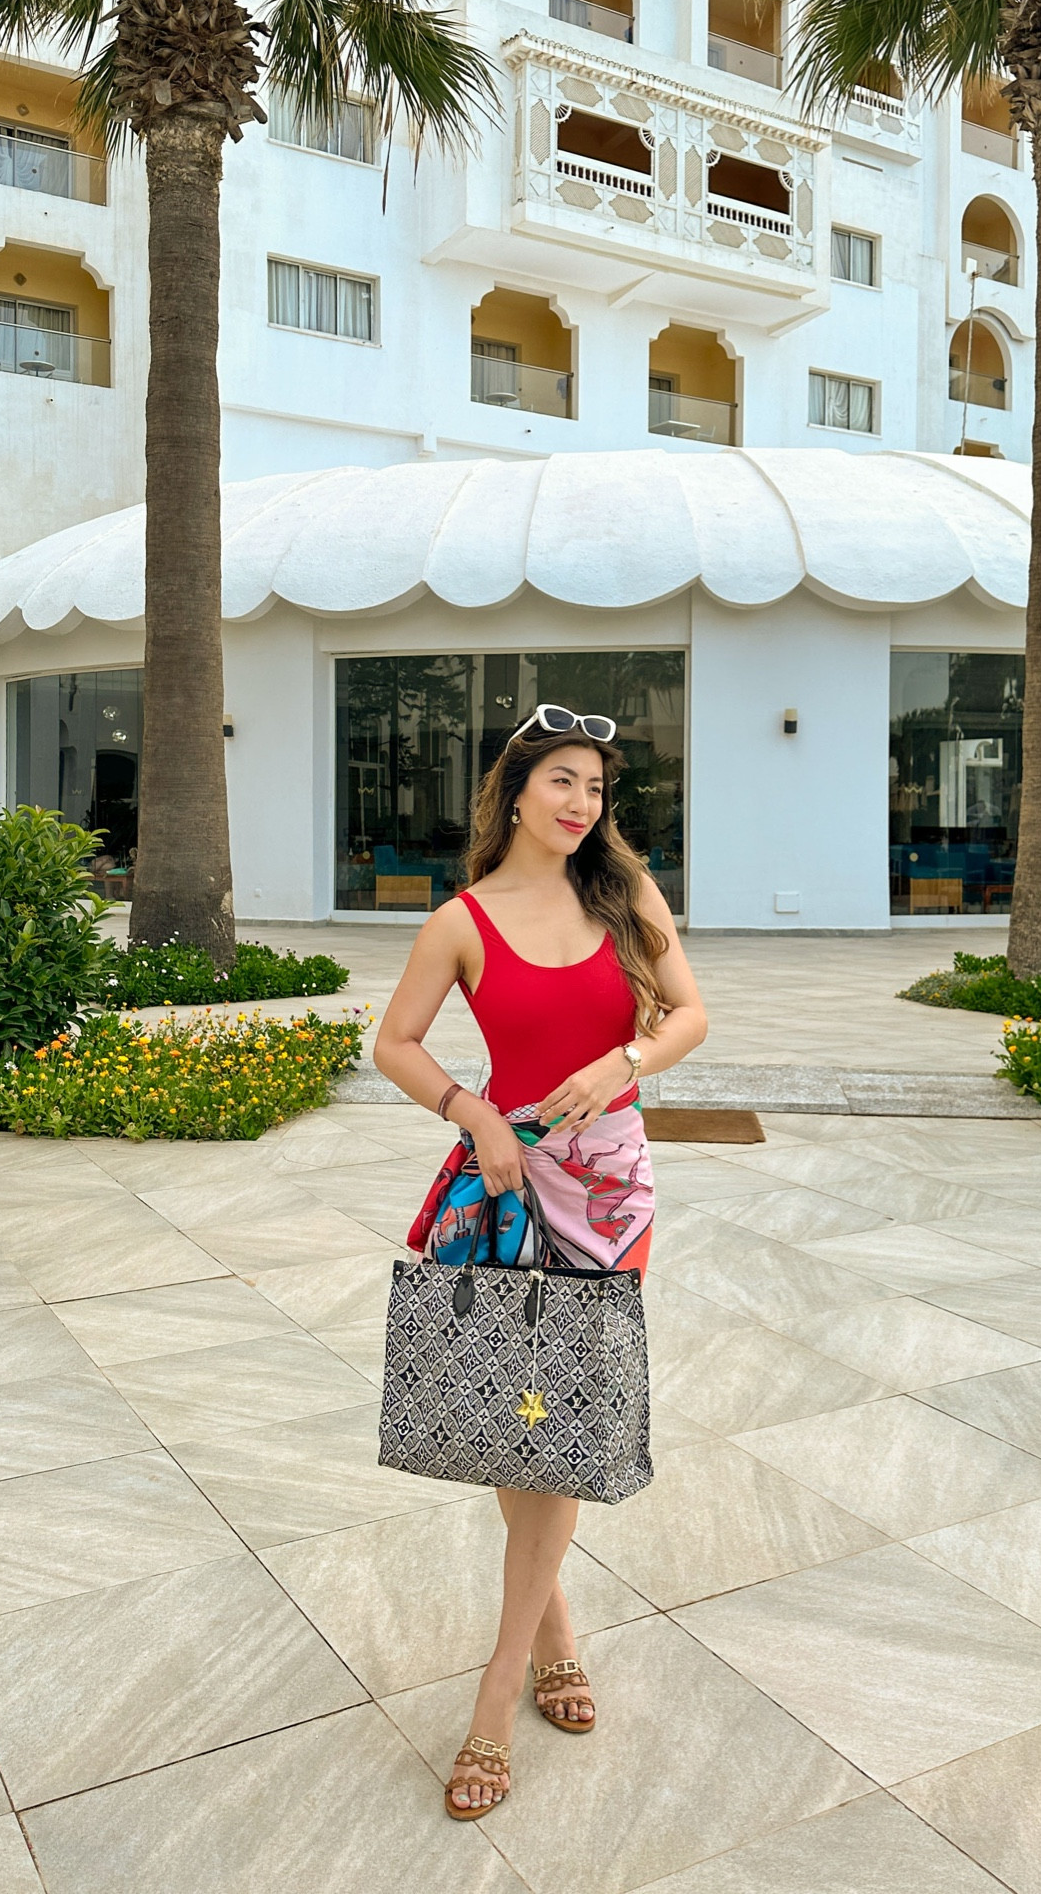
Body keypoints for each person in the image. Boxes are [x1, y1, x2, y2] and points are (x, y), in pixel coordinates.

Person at [373, 704, 707, 1821]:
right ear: (514, 790)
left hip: (608, 1189)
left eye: (596, 787)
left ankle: (496, 1688)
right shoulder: (461, 920)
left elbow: (690, 1014)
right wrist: (473, 1114)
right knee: (512, 1406)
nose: (580, 803)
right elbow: (394, 1042)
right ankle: (554, 1637)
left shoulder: (624, 894)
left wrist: (625, 1061)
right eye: (561, 780)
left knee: (560, 1416)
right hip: (506, 1181)